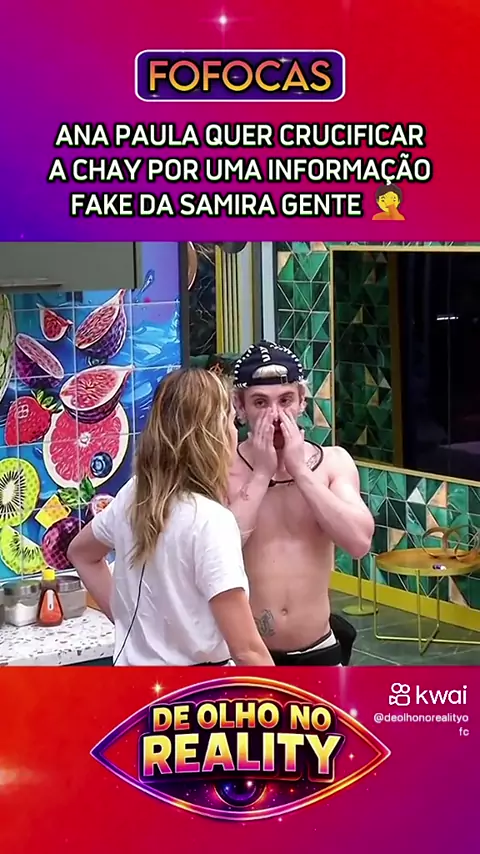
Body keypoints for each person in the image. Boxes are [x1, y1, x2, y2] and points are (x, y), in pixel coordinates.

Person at [67, 368, 274, 667]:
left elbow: (81, 553)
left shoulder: (134, 494)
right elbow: (247, 651)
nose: (234, 432)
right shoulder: (211, 521)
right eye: (230, 421)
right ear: (213, 434)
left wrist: (129, 622)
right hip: (194, 691)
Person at [228, 341, 375, 666]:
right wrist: (262, 474)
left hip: (318, 649)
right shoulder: (224, 468)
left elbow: (359, 543)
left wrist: (301, 473)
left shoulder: (332, 462)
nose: (275, 416)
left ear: (302, 401)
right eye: (260, 402)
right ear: (240, 406)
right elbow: (216, 551)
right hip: (244, 655)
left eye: (285, 400)